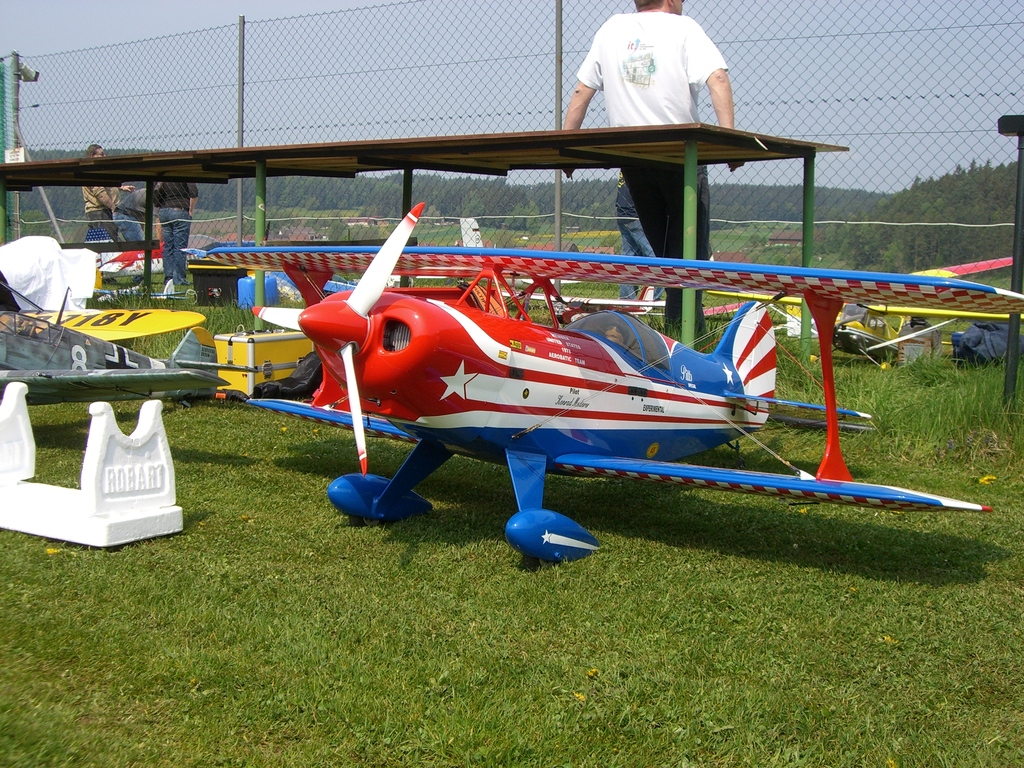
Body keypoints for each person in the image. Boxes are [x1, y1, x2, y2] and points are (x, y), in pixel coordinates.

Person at [563, 0, 736, 336]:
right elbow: (718, 78)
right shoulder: (684, 28)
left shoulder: (611, 29)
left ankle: (679, 333)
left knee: (666, 254)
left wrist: (567, 145)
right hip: (679, 155)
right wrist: (728, 138)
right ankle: (686, 338)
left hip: (634, 159)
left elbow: (582, 90)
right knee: (690, 258)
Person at [81, 144, 134, 241]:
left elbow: (105, 186)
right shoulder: (92, 171)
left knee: (102, 241)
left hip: (101, 211)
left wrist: (121, 187)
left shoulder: (96, 170)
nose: (104, 156)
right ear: (93, 156)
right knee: (109, 241)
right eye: (101, 154)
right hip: (100, 212)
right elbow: (100, 194)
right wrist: (114, 208)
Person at [155, 181, 198, 287]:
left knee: (168, 246)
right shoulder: (184, 174)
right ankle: (179, 279)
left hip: (163, 211)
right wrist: (190, 210)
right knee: (180, 247)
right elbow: (194, 193)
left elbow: (156, 196)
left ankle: (168, 278)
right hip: (179, 209)